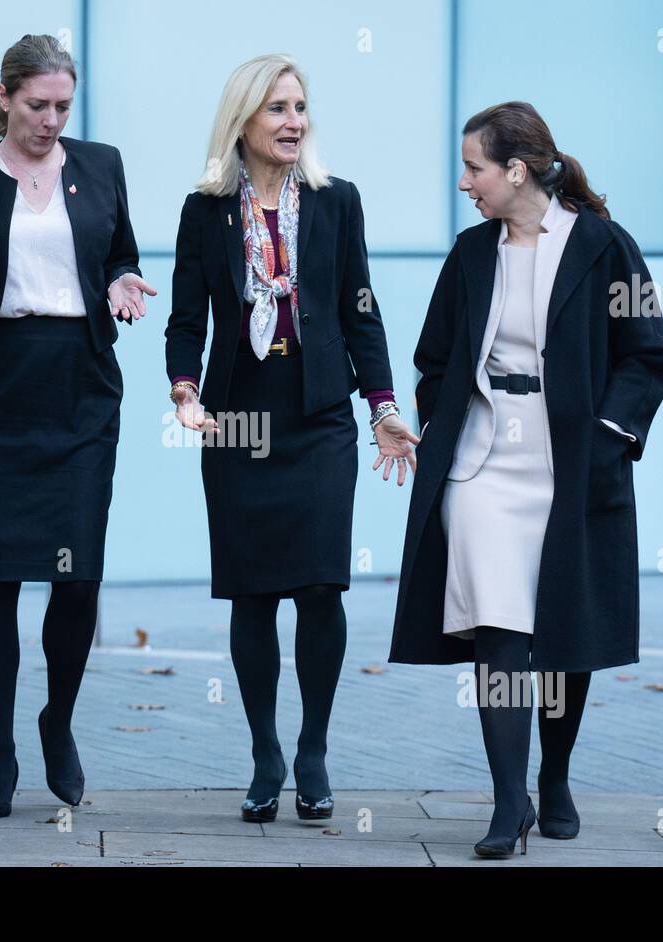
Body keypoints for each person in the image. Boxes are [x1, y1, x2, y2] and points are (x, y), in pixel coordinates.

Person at [389, 101, 663, 857]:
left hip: (571, 460)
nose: (464, 182)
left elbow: (647, 354)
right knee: (499, 624)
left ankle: (554, 776)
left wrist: (610, 439)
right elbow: (435, 357)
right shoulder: (471, 252)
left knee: (564, 626)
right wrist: (444, 421)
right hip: (483, 462)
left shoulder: (607, 248)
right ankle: (508, 800)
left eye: (474, 167)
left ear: (515, 171)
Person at [165, 54, 417, 823]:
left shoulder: (337, 203)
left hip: (316, 421)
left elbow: (359, 310)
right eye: (277, 108)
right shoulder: (205, 211)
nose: (293, 121)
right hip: (238, 421)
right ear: (242, 120)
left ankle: (312, 748)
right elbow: (185, 321)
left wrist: (381, 406)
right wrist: (183, 391)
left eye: (300, 107)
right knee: (251, 592)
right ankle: (264, 751)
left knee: (318, 585)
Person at [0, 34, 153, 818]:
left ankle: (57, 721)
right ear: (3, 98)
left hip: (82, 384)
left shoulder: (101, 165)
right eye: (36, 105)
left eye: (63, 106)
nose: (51, 120)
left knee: (77, 570)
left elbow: (119, 252)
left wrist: (123, 278)